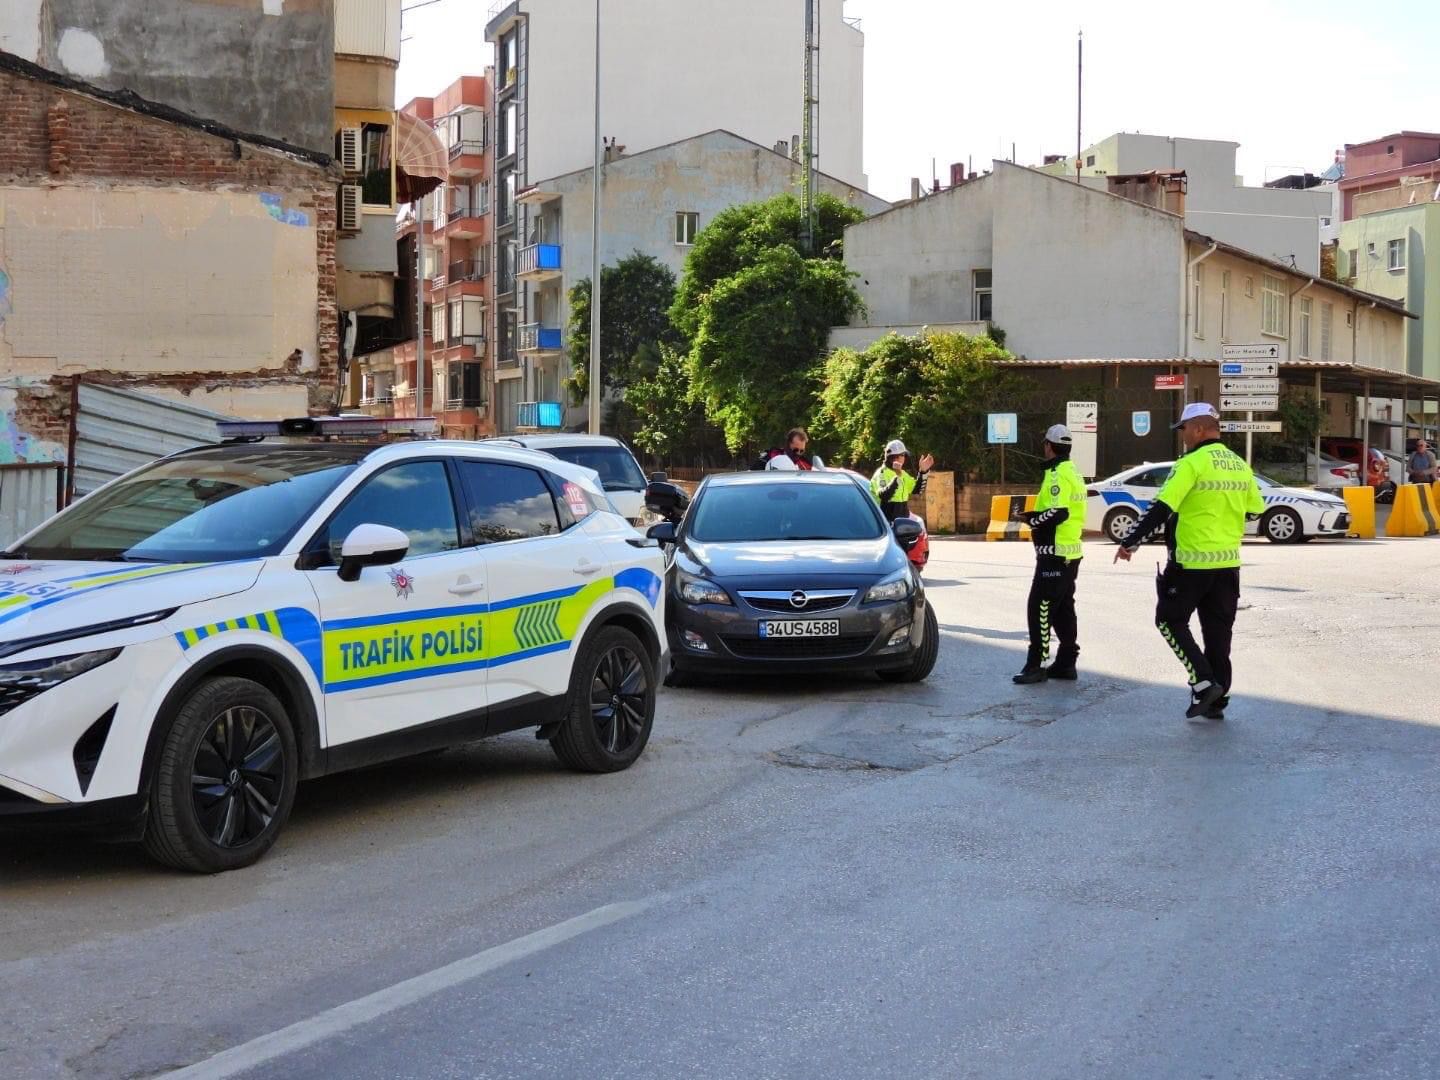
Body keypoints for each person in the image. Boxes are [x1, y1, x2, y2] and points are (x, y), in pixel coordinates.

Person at [1114, 402, 1264, 721]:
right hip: (1227, 564)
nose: (1182, 436)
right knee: (1218, 634)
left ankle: (1203, 682)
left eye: (1183, 430)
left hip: (1191, 562)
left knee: (1168, 620)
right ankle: (1217, 701)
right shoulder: (1239, 465)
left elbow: (1161, 507)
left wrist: (1131, 541)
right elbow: (1255, 509)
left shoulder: (1191, 463)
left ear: (1197, 429)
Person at [1012, 424, 1088, 685]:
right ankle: (1066, 663)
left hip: (1054, 552)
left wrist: (1032, 520)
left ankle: (1036, 664)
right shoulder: (1073, 472)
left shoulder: (1057, 474)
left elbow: (1059, 512)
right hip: (1070, 551)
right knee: (1064, 608)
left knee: (1040, 607)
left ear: (1048, 446)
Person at [869, 439, 935, 522]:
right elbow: (884, 496)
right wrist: (897, 478)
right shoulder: (881, 474)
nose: (904, 458)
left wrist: (923, 471)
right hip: (885, 524)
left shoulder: (902, 473)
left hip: (902, 522)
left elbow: (917, 490)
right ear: (896, 457)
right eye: (903, 455)